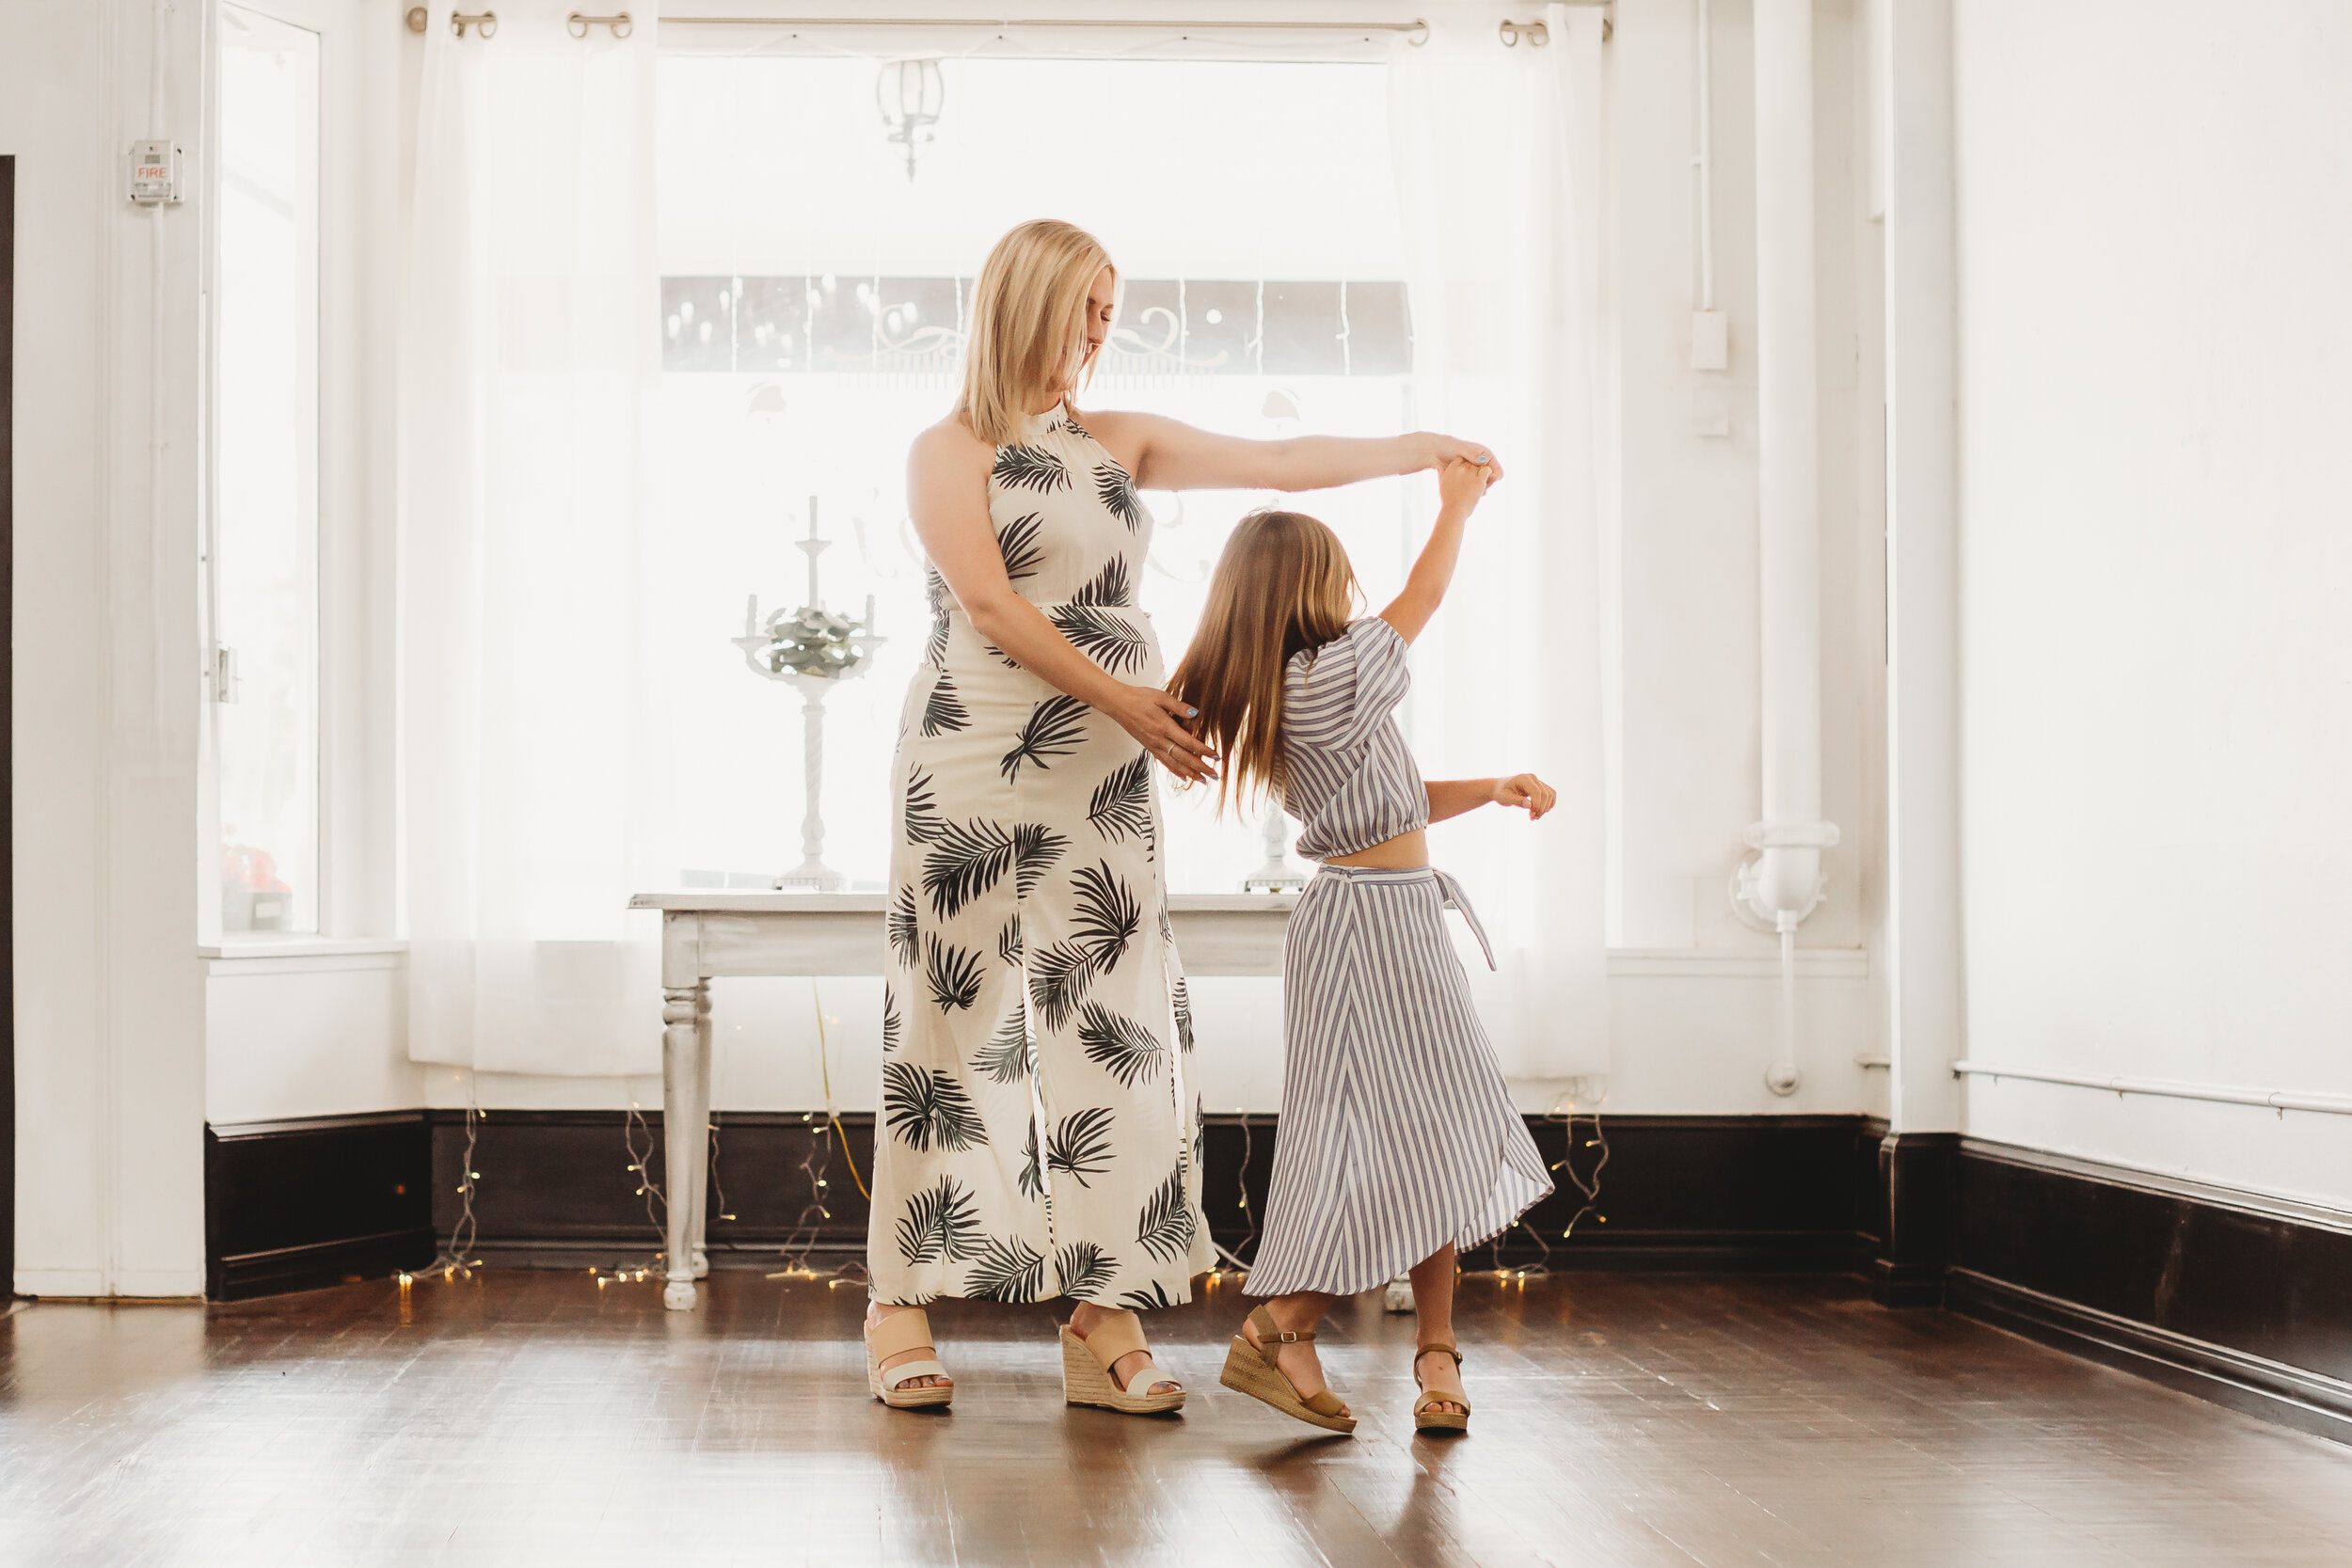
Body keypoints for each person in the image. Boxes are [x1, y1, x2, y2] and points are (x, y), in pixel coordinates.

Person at [865, 218, 1497, 1415]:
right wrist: (1133, 703)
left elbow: (1277, 462)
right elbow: (992, 607)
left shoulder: (1115, 439)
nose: (1100, 334)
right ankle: (897, 1295)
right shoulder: (946, 448)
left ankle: (1103, 1313)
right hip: (972, 756)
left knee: (1118, 1023)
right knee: (957, 1015)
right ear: (1027, 304)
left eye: (1111, 312)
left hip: (1104, 767)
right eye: (1085, 310)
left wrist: (1413, 448)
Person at [1166, 464, 1557, 1436]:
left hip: (1389, 912)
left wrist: (1491, 787)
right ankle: (1286, 1320)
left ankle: (1421, 1345)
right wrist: (1456, 504)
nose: (1350, 591)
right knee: (1412, 1136)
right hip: (1368, 925)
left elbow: (1398, 801)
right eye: (1337, 575)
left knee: (1429, 1131)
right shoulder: (1324, 671)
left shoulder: (1306, 684)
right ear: (1302, 585)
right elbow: (1420, 598)